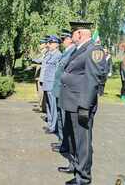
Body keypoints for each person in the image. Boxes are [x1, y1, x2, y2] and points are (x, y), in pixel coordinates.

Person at [59, 20, 106, 185]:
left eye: (73, 33)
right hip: (70, 101)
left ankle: (83, 178)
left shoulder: (94, 50)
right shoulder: (80, 50)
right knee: (72, 139)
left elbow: (92, 80)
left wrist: (85, 106)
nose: (71, 38)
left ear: (79, 33)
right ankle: (74, 165)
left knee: (83, 143)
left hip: (80, 104)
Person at [51, 29, 75, 157]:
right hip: (59, 89)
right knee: (60, 118)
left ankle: (65, 144)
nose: (62, 42)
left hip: (64, 91)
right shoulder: (66, 52)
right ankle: (62, 141)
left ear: (70, 39)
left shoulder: (72, 52)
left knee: (65, 119)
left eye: (64, 39)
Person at [41, 35, 62, 134]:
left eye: (50, 43)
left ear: (56, 44)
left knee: (53, 107)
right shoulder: (49, 54)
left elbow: (58, 73)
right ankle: (50, 124)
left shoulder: (58, 55)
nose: (48, 45)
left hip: (52, 84)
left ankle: (54, 126)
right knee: (48, 105)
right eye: (48, 43)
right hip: (47, 83)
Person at [32, 36, 49, 113]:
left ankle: (42, 107)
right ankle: (40, 106)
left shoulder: (46, 52)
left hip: (42, 75)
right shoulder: (42, 52)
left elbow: (40, 61)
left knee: (41, 92)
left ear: (45, 44)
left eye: (41, 43)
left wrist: (33, 59)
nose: (40, 45)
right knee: (39, 91)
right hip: (38, 74)